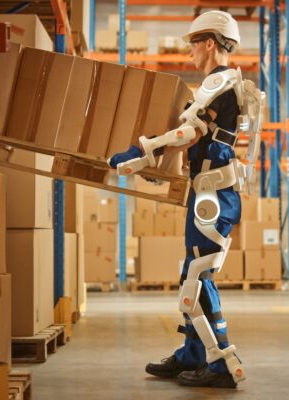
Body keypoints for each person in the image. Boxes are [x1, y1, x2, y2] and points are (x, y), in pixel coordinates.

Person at [108, 10, 263, 389]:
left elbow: (188, 131)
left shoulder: (219, 81)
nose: (190, 50)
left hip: (213, 193)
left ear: (210, 42)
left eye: (193, 42)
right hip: (211, 191)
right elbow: (199, 133)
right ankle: (194, 354)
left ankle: (222, 362)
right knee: (192, 273)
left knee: (197, 277)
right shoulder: (232, 84)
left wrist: (143, 151)